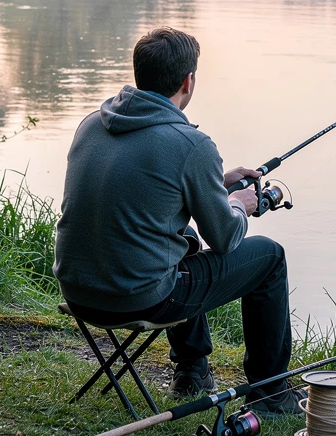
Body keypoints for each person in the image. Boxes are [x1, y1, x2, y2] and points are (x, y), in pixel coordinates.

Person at [54, 27, 304, 415]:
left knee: (183, 234)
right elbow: (225, 238)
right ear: (189, 81)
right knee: (269, 257)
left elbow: (144, 189)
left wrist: (213, 186)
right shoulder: (191, 144)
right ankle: (270, 393)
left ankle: (193, 371)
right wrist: (240, 204)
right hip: (137, 299)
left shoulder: (92, 123)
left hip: (78, 290)